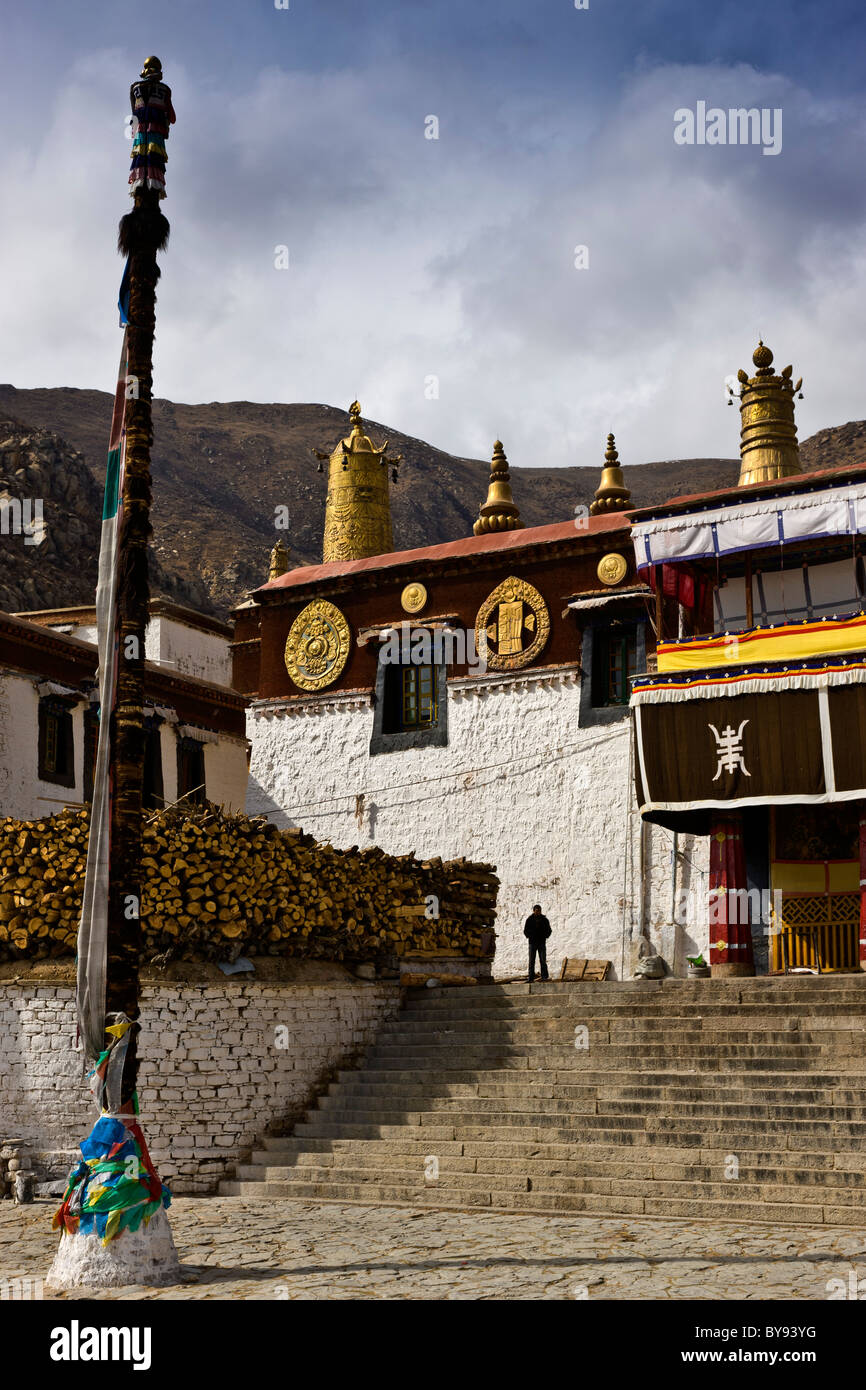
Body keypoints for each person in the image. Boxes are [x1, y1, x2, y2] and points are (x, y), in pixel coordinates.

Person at [524, 905, 551, 983]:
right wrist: (530, 936)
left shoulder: (544, 920)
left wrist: (545, 936)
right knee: (531, 960)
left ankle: (544, 976)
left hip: (541, 942)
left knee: (543, 960)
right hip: (532, 943)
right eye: (536, 910)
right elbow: (525, 931)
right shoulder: (529, 920)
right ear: (533, 911)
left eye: (539, 910)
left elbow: (549, 930)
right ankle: (531, 977)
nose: (538, 912)